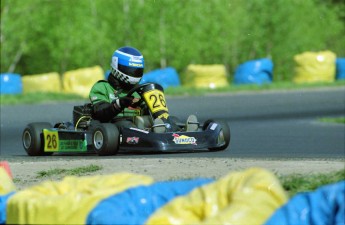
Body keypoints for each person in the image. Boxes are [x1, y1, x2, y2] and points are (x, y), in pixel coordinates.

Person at [89, 46, 198, 132]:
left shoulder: (138, 90)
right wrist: (119, 104)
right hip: (115, 124)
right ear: (117, 67)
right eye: (131, 70)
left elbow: (148, 110)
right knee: (127, 126)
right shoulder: (102, 87)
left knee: (171, 120)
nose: (134, 74)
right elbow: (100, 113)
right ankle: (156, 133)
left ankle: (179, 131)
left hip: (140, 122)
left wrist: (149, 107)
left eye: (137, 71)